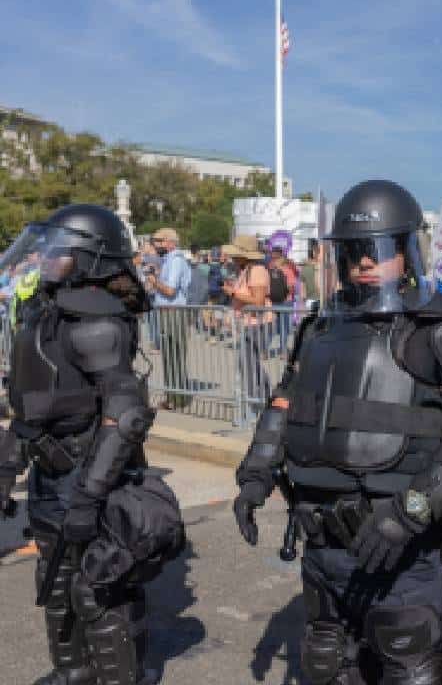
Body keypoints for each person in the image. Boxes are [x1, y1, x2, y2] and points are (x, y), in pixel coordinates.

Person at [232, 180, 442, 684]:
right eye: (353, 252)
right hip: (321, 547)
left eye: (376, 250)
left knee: (411, 669)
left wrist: (410, 513)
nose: (364, 263)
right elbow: (283, 404)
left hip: (401, 553)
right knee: (327, 668)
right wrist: (255, 474)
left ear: (407, 252)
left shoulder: (438, 326)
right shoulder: (319, 327)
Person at [0, 205, 184, 685]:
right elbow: (30, 409)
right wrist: (6, 471)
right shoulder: (45, 312)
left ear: (87, 257)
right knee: (55, 583)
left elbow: (124, 416)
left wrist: (89, 495)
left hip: (88, 477)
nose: (45, 256)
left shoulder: (98, 321)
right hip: (48, 473)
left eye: (58, 249)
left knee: (98, 592)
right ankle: (72, 671)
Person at [220, 234, 272, 425]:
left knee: (249, 367)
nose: (233, 258)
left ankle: (253, 408)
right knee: (251, 366)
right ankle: (266, 401)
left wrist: (234, 293)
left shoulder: (256, 270)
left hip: (257, 324)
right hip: (249, 324)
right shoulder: (247, 270)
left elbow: (257, 301)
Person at [147, 228, 192, 411]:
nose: (155, 244)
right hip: (166, 311)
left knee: (175, 356)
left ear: (169, 242)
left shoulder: (175, 261)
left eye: (158, 241)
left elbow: (170, 290)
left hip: (174, 312)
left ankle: (178, 399)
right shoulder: (168, 260)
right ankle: (172, 397)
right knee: (169, 356)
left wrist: (154, 281)